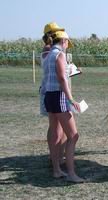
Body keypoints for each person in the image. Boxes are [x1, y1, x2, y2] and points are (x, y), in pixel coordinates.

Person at [44, 30, 85, 183]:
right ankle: (72, 174)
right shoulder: (59, 55)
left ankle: (56, 170)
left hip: (49, 96)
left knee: (55, 135)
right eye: (68, 43)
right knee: (73, 136)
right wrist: (71, 99)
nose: (68, 46)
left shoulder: (48, 55)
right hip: (59, 96)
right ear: (63, 41)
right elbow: (62, 78)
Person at [40, 22, 68, 167]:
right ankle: (56, 157)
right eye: (55, 32)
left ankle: (57, 157)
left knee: (56, 126)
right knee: (57, 128)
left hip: (52, 90)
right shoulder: (51, 50)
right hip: (53, 91)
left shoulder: (52, 50)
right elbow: (56, 72)